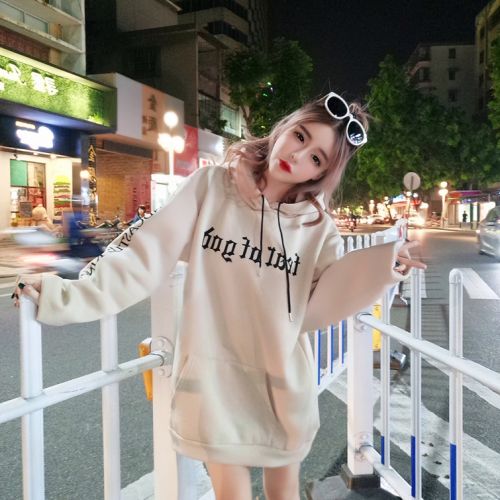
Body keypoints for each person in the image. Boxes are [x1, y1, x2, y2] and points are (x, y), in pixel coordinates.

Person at [13, 92, 426, 500]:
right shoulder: (211, 187)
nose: (298, 156)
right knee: (231, 493)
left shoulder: (317, 229)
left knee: (283, 492)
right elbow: (144, 254)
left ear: (322, 173)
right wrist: (66, 295)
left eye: (316, 158)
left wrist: (382, 265)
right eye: (300, 136)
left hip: (281, 385)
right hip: (215, 383)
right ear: (285, 126)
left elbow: (322, 304)